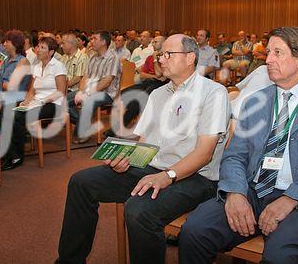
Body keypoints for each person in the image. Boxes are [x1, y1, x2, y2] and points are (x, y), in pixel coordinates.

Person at [179, 27, 298, 264]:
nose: (268, 60)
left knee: (282, 256)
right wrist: (236, 193)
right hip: (253, 189)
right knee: (194, 232)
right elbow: (234, 156)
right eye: (268, 52)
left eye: (277, 53)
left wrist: (292, 198)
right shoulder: (256, 101)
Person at [56, 34, 231, 264]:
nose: (161, 60)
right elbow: (144, 139)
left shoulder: (213, 93)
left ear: (190, 58)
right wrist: (126, 158)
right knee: (81, 182)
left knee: (139, 210)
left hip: (195, 177)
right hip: (153, 167)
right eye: (161, 55)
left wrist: (167, 176)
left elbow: (204, 153)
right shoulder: (158, 94)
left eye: (169, 54)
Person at [0, 36, 67, 170]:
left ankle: (16, 156)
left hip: (54, 104)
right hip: (37, 102)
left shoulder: (58, 66)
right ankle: (8, 152)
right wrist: (25, 102)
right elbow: (31, 91)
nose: (38, 50)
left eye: (43, 47)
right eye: (38, 47)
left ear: (51, 52)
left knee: (18, 117)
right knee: (7, 113)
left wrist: (42, 101)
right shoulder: (36, 67)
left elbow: (61, 91)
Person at [67, 30, 120, 143]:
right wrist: (81, 92)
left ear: (103, 42)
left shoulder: (112, 57)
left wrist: (89, 93)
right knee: (62, 100)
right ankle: (84, 124)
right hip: (88, 91)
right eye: (91, 39)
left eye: (94, 39)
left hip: (107, 93)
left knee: (90, 101)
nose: (91, 41)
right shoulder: (92, 57)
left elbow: (107, 81)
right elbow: (85, 77)